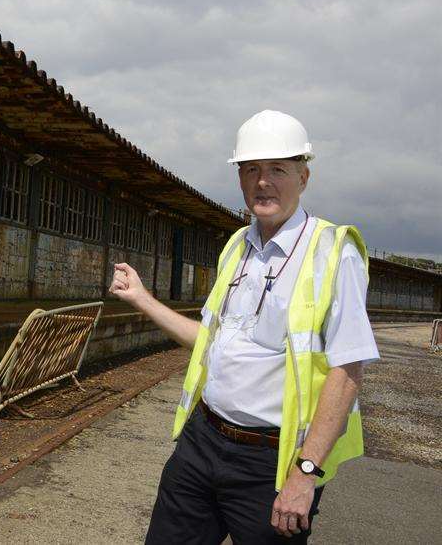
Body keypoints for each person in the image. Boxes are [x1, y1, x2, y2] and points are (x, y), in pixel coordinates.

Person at [110, 109, 379, 544]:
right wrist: (143, 300)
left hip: (272, 465)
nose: (263, 181)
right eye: (251, 169)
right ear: (239, 177)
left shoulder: (333, 252)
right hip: (202, 442)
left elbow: (347, 372)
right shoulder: (238, 246)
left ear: (304, 177)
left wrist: (305, 474)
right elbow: (210, 345)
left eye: (278, 169)